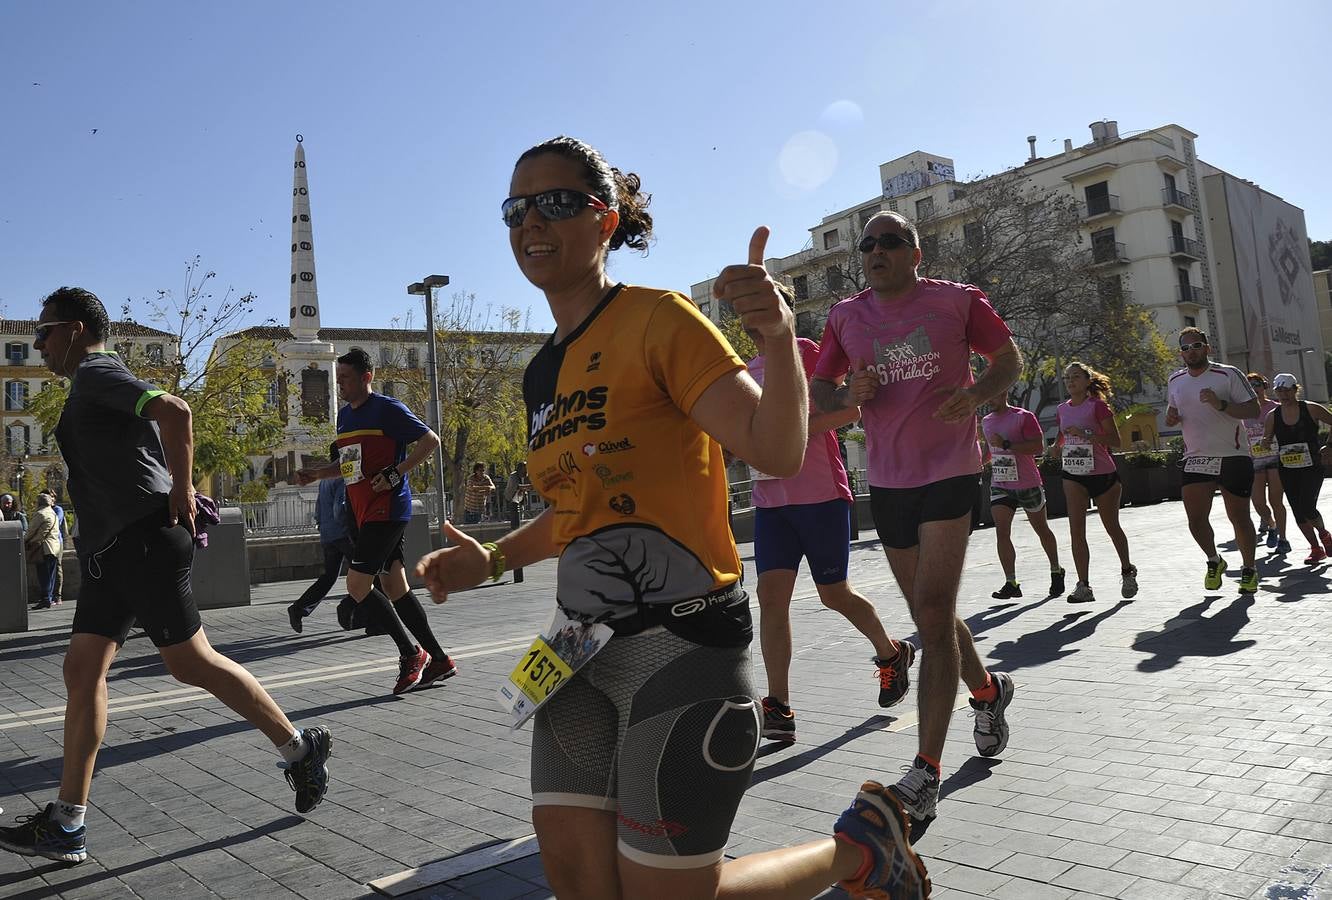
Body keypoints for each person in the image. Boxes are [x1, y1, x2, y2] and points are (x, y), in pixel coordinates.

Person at [415, 137, 928, 900]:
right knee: (582, 886)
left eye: (556, 203)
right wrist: (489, 559)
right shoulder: (540, 372)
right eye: (516, 209)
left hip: (681, 646)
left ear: (606, 219)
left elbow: (775, 448)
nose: (532, 222)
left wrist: (778, 338)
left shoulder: (660, 319)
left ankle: (858, 852)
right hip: (573, 653)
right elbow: (576, 509)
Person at [0, 287, 330, 865]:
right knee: (82, 671)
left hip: (143, 540)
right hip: (112, 550)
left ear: (74, 329)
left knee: (190, 664)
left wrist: (181, 489)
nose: (39, 347)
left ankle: (301, 751)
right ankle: (69, 822)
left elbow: (176, 411)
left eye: (43, 333)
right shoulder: (92, 382)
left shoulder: (99, 371)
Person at [810, 211, 1022, 826]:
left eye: (889, 241)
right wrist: (850, 396)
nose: (875, 251)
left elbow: (1007, 357)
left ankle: (924, 772)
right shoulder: (846, 317)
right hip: (889, 480)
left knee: (931, 614)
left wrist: (980, 394)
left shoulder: (957, 302)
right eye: (867, 244)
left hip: (951, 470)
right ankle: (988, 691)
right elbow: (822, 392)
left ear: (915, 251)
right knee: (932, 616)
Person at [744, 297, 915, 745]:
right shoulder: (746, 368)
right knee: (770, 599)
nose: (751, 315)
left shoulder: (806, 351)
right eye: (745, 309)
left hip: (819, 496)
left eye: (760, 304)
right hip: (770, 502)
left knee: (833, 594)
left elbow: (851, 410)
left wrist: (792, 430)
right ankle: (778, 705)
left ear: (782, 310)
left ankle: (891, 654)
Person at [296, 348, 457, 695]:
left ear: (367, 377)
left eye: (347, 379)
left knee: (357, 587)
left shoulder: (387, 409)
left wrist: (397, 473)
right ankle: (440, 659)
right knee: (395, 588)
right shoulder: (343, 417)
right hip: (361, 511)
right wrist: (317, 475)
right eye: (338, 380)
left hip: (387, 510)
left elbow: (431, 440)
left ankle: (411, 654)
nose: (341, 386)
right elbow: (349, 466)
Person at [1164, 329, 1260, 593]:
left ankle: (1249, 569)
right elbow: (1174, 412)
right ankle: (1214, 560)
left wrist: (1221, 405)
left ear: (1207, 348)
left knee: (1239, 517)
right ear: (1181, 353)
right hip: (1196, 457)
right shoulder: (1175, 379)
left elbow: (1253, 410)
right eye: (1185, 348)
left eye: (1196, 345)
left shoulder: (1228, 374)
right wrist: (1171, 418)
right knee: (1195, 519)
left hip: (1233, 455)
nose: (1190, 351)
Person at [1054, 362, 1138, 604]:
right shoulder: (1061, 408)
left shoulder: (1098, 407)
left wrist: (1086, 435)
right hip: (1073, 473)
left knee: (1111, 527)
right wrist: (1055, 447)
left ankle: (1127, 570)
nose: (1070, 381)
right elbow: (1062, 435)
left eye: (1076, 377)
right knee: (1076, 530)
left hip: (1102, 475)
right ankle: (1083, 586)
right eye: (1067, 378)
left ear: (1087, 380)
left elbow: (1116, 440)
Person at [981, 394, 1065, 599]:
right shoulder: (986, 421)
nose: (988, 399)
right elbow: (989, 451)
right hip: (1000, 483)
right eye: (987, 395)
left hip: (1027, 483)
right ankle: (1011, 582)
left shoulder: (1023, 416)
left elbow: (1037, 447)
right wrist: (977, 462)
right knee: (1002, 532)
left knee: (1042, 529)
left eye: (993, 393)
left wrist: (1007, 444)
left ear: (1004, 393)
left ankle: (1056, 570)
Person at [1262, 373, 1332, 564]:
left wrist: (1330, 445)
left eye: (1286, 390)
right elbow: (1266, 440)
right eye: (1279, 391)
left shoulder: (1310, 408)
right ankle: (1316, 548)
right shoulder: (1272, 416)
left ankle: (1325, 535)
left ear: (1295, 389)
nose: (1283, 395)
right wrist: (1265, 442)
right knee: (1297, 510)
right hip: (1288, 467)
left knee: (1307, 506)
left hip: (1312, 466)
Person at [287, 444, 356, 633]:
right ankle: (348, 608)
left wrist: (323, 527)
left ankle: (299, 608)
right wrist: (348, 530)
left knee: (329, 577)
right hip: (343, 534)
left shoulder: (324, 480)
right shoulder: (342, 475)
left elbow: (318, 508)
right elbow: (339, 507)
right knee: (365, 574)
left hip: (328, 535)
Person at [1244, 373, 1290, 553]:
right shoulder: (1242, 411)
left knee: (1276, 500)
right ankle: (1272, 525)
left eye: (1257, 384)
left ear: (1264, 386)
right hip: (1254, 461)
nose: (1254, 388)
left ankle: (1284, 540)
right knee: (1258, 502)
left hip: (1275, 459)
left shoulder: (1276, 408)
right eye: (1249, 386)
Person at [24, 492, 60, 609]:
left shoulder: (40, 514)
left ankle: (45, 599)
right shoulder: (53, 513)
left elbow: (30, 531)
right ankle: (48, 597)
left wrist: (24, 541)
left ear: (39, 502)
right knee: (51, 576)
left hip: (43, 548)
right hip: (54, 548)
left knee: (43, 575)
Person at [42, 490, 69, 605]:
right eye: (48, 497)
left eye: (52, 497)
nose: (51, 499)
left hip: (57, 542)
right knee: (47, 569)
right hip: (46, 543)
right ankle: (48, 595)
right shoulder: (44, 510)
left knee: (57, 567)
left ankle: (57, 595)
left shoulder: (57, 510)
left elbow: (55, 522)